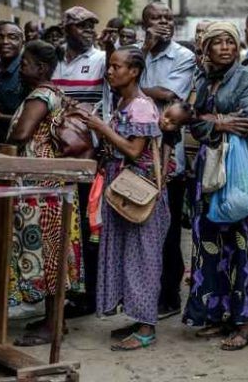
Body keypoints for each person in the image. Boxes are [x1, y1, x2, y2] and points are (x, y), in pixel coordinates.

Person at [183, 22, 248, 350]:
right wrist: (216, 121)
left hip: (240, 169)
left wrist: (207, 120)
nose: (224, 48)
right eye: (216, 43)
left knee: (244, 245)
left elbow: (246, 121)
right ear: (205, 49)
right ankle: (215, 313)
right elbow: (191, 122)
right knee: (211, 244)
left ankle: (245, 323)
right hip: (208, 170)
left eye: (229, 43)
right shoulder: (202, 79)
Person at [82, 47, 169, 351]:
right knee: (129, 256)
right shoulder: (124, 101)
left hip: (140, 193)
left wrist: (102, 128)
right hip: (123, 191)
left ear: (134, 71)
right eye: (109, 66)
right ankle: (138, 318)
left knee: (143, 259)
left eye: (117, 67)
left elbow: (134, 151)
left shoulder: (142, 106)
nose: (110, 72)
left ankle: (147, 329)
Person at [7, 40, 85, 346]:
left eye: (25, 62)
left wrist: (9, 136)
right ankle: (55, 319)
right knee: (55, 250)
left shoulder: (40, 95)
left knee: (49, 251)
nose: (20, 67)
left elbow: (22, 133)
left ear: (40, 68)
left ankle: (53, 325)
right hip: (50, 182)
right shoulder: (55, 92)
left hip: (42, 186)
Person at [137, 1, 195, 319]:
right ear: (144, 23)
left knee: (169, 231)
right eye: (156, 18)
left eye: (168, 18)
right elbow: (120, 85)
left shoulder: (183, 56)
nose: (163, 23)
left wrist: (132, 88)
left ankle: (170, 294)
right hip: (135, 152)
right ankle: (144, 292)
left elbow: (169, 96)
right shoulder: (136, 51)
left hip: (168, 153)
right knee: (140, 226)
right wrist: (143, 50)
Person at [52, 6, 107, 318]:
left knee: (88, 229)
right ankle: (66, 289)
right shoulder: (52, 59)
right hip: (55, 158)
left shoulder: (100, 61)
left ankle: (88, 295)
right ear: (66, 29)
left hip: (87, 156)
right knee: (61, 226)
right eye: (82, 26)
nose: (89, 31)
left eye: (92, 26)